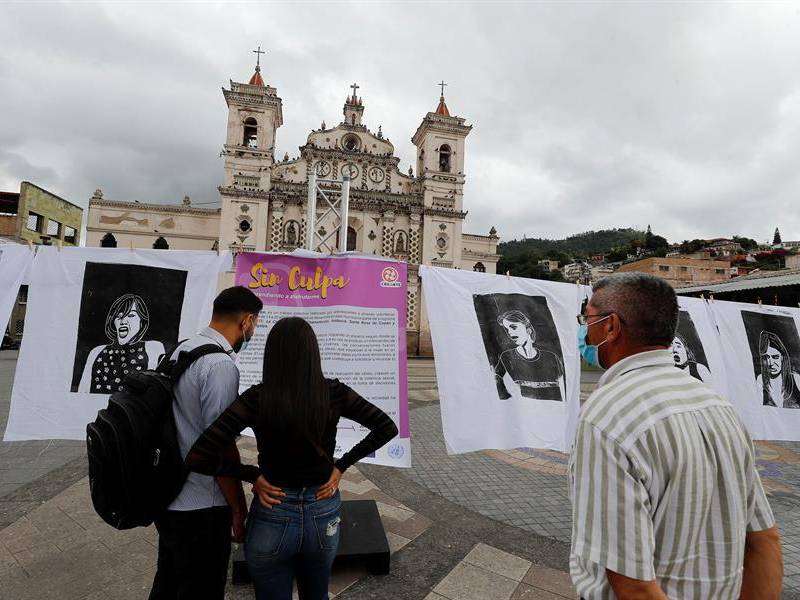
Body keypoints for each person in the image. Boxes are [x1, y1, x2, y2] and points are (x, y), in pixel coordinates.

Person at [573, 273, 782, 600]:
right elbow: (763, 540)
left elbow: (633, 585)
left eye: (587, 319)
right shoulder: (719, 406)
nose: (584, 331)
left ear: (610, 326)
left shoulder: (607, 415)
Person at [185, 316, 398, 600]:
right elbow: (387, 427)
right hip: (322, 510)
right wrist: (341, 466)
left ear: (272, 355)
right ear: (313, 352)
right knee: (317, 594)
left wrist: (252, 475)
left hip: (273, 511)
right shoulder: (334, 393)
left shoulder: (256, 399)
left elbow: (197, 457)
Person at [149, 286, 262, 600]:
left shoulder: (181, 350)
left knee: (168, 583)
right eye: (255, 324)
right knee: (203, 588)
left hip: (169, 494)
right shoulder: (220, 366)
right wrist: (238, 509)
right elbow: (220, 444)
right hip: (203, 505)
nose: (253, 331)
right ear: (246, 321)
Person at [79, 293, 165, 393]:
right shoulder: (97, 352)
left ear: (142, 322)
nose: (123, 321)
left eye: (131, 315)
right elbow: (82, 392)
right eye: (119, 316)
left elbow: (159, 391)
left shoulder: (153, 347)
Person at [493, 310, 565, 401]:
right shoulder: (507, 357)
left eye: (513, 327)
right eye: (507, 330)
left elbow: (563, 386)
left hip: (552, 407)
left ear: (528, 330)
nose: (509, 333)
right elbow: (496, 381)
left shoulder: (551, 357)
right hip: (524, 408)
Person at [756, 331, 800, 409]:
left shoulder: (796, 379)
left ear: (782, 357)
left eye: (775, 357)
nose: (771, 363)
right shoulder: (760, 379)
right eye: (767, 357)